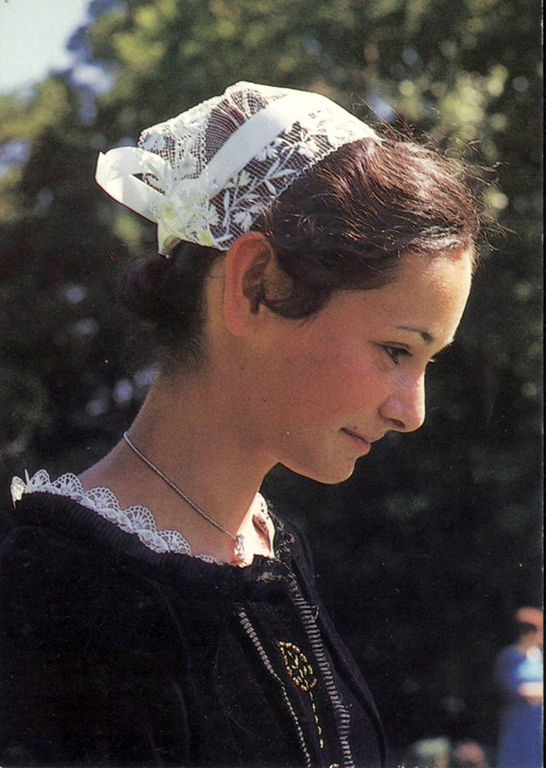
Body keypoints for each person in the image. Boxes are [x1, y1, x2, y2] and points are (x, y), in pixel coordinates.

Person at [0, 81, 481, 767]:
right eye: (397, 351)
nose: (412, 411)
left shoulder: (271, 550)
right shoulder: (58, 594)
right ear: (255, 285)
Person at [494, 606, 543, 768]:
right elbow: (514, 688)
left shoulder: (540, 657)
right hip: (518, 727)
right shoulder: (508, 657)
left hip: (538, 727)